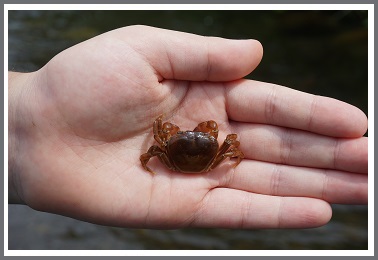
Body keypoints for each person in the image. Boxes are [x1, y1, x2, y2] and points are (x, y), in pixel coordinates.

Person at [8, 25, 368, 229]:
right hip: (210, 167)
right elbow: (233, 145)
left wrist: (149, 163)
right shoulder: (218, 144)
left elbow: (152, 149)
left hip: (173, 165)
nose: (198, 135)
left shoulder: (165, 145)